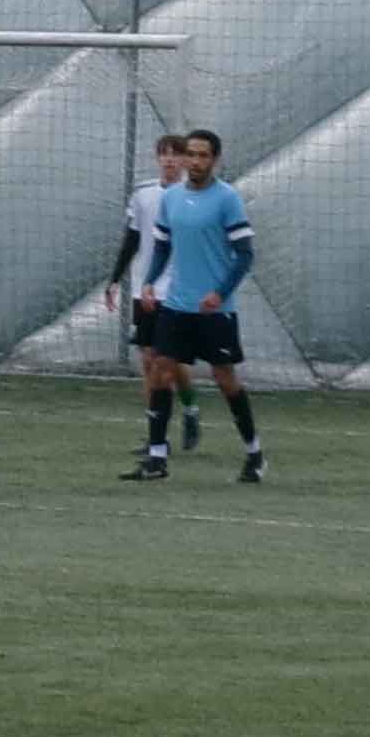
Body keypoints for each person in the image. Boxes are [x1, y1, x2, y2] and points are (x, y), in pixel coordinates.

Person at [133, 127, 262, 483]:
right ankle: (157, 457)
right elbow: (162, 245)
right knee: (161, 370)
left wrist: (220, 293)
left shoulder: (227, 199)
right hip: (176, 305)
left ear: (215, 160)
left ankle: (254, 453)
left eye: (203, 155)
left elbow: (245, 254)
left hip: (214, 311)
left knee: (225, 379)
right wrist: (149, 282)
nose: (194, 161)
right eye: (190, 154)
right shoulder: (172, 198)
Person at [109, 129, 199, 454]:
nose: (170, 160)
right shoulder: (143, 194)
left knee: (169, 362)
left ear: (185, 161)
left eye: (176, 154)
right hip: (146, 288)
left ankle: (189, 409)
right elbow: (132, 238)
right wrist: (114, 279)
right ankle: (156, 438)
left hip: (178, 291)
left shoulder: (194, 197)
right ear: (158, 158)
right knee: (149, 362)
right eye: (165, 153)